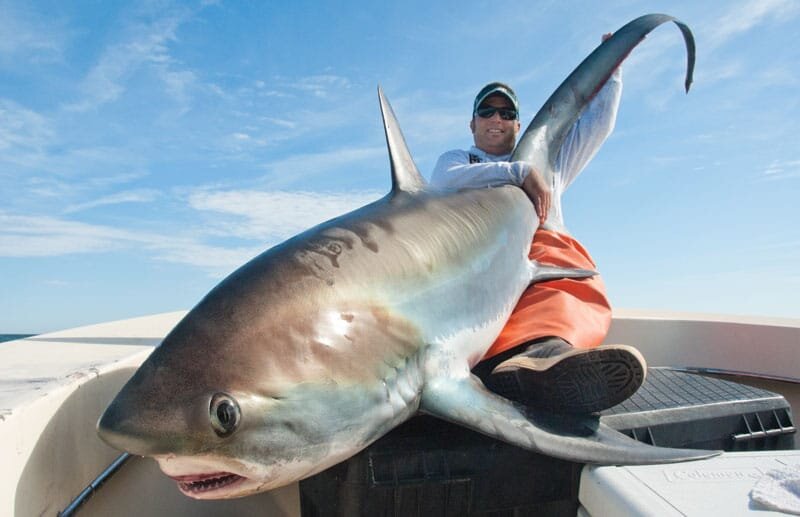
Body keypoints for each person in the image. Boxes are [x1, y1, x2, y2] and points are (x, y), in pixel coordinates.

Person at [430, 38, 646, 414]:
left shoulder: (552, 165)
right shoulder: (459, 159)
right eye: (487, 112)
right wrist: (519, 172)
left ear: (518, 124)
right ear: (472, 123)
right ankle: (509, 364)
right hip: (481, 262)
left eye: (505, 113)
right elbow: (444, 180)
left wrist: (612, 71)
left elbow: (597, 125)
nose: (496, 120)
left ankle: (545, 358)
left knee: (572, 270)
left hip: (540, 262)